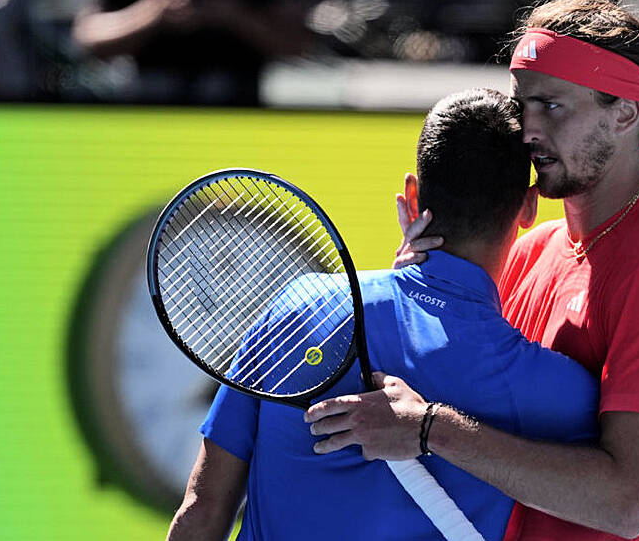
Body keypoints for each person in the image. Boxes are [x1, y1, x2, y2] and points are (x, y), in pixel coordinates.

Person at [306, 0, 639, 541]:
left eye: (552, 106)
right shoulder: (529, 248)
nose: (526, 130)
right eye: (523, 105)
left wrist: (430, 430)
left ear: (625, 113)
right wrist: (419, 286)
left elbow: (625, 504)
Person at [166, 88, 603, 540]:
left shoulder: (298, 306)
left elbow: (202, 509)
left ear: (412, 197)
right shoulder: (560, 391)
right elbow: (631, 496)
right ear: (529, 207)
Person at [71, 0, 310, 105]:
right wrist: (154, 11)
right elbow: (88, 38)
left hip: (237, 128)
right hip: (146, 131)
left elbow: (297, 44)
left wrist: (234, 15)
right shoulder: (155, 1)